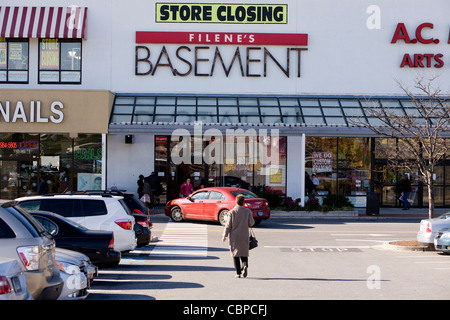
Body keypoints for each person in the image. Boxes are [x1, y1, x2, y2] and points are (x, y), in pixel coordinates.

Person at [222, 194, 255, 278]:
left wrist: (224, 235)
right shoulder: (247, 211)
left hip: (234, 236)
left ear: (236, 202)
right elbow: (252, 223)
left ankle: (238, 273)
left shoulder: (232, 212)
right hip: (244, 234)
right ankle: (244, 265)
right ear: (243, 202)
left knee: (235, 253)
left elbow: (228, 225)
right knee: (244, 252)